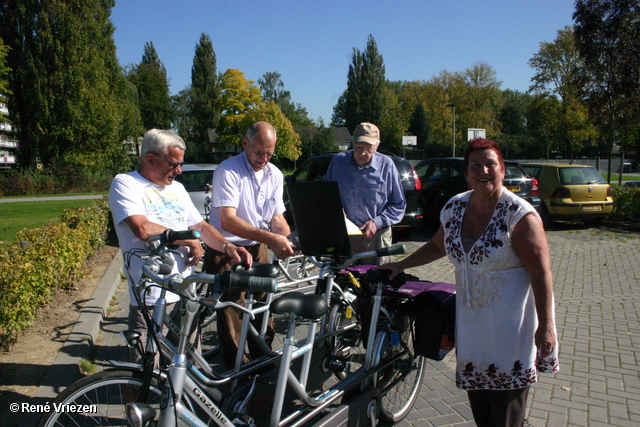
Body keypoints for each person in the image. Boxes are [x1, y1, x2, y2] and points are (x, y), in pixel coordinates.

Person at [379, 138, 559, 427]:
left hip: (511, 333)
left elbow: (541, 273)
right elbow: (438, 246)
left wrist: (547, 327)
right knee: (482, 412)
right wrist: (402, 264)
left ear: (502, 170)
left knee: (506, 413)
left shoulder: (519, 215)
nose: (483, 171)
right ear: (466, 174)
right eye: (476, 166)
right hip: (472, 330)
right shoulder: (455, 207)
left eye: (491, 164)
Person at [109, 129, 252, 364]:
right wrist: (190, 240)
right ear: (150, 159)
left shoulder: (177, 189)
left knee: (187, 365)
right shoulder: (126, 184)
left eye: (181, 164)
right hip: (150, 296)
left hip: (185, 291)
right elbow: (143, 229)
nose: (179, 171)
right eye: (174, 164)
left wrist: (228, 247)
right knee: (144, 369)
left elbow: (201, 227)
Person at [205, 121, 295, 370]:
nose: (264, 158)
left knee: (263, 311)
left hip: (258, 248)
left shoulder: (275, 174)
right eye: (259, 152)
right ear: (245, 144)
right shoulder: (228, 170)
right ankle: (237, 376)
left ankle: (263, 365)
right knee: (231, 315)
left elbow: (276, 219)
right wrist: (272, 239)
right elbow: (228, 220)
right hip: (227, 250)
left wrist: (290, 240)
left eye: (270, 153)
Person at [325, 122, 406, 264]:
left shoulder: (387, 165)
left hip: (377, 237)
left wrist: (377, 222)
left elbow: (398, 204)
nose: (362, 153)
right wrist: (335, 209)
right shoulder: (338, 163)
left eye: (368, 148)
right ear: (352, 143)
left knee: (378, 282)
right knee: (344, 282)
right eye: (358, 148)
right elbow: (326, 196)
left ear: (376, 146)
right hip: (345, 238)